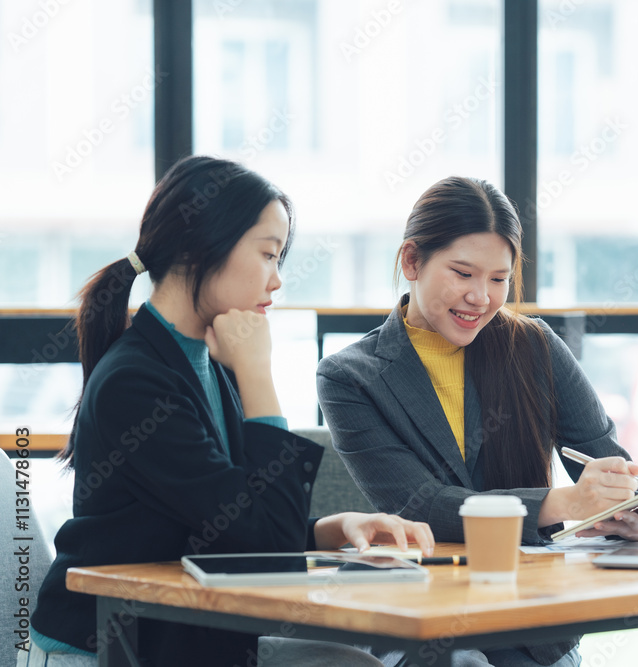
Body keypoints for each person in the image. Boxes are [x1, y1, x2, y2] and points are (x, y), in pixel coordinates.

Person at [27, 156, 433, 667]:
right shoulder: (136, 382)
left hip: (183, 637)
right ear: (199, 249)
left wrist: (332, 527)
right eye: (268, 255)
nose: (277, 281)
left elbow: (234, 521)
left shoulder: (203, 360)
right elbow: (264, 540)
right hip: (113, 647)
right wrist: (258, 374)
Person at [317, 176, 638, 667]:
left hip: (528, 614)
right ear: (411, 261)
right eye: (463, 273)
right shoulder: (349, 376)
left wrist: (631, 511)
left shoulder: (534, 346)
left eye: (498, 279)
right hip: (423, 613)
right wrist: (566, 502)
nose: (481, 297)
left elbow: (604, 461)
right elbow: (421, 505)